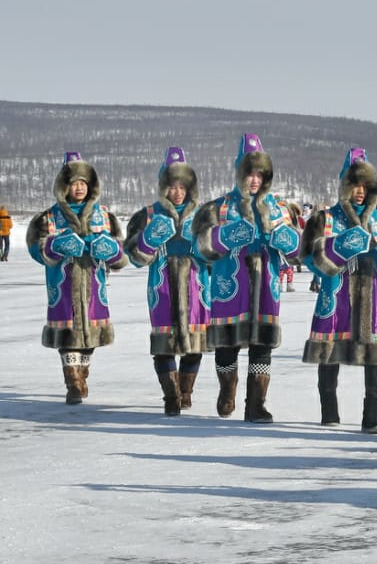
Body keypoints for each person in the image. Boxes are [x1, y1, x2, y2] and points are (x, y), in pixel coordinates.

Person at [301, 148, 377, 433]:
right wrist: (338, 247)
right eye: (354, 184)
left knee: (375, 357)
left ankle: (372, 415)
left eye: (365, 185)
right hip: (335, 295)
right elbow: (307, 258)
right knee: (329, 354)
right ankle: (329, 411)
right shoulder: (324, 219)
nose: (360, 191)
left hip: (373, 298)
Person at [193, 134, 301, 422]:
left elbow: (298, 250)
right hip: (230, 286)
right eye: (249, 173)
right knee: (227, 346)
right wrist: (225, 236)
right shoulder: (219, 207)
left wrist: (284, 237)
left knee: (261, 347)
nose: (254, 180)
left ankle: (256, 404)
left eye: (259, 174)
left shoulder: (278, 207)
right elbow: (199, 249)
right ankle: (227, 390)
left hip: (266, 285)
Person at [27, 151, 128, 404]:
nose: (79, 187)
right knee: (68, 335)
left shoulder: (104, 216)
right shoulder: (48, 217)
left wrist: (111, 250)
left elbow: (121, 255)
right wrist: (54, 246)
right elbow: (35, 248)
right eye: (74, 183)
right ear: (64, 187)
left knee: (89, 338)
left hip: (94, 285)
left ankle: (82, 374)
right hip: (63, 285)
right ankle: (72, 381)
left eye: (83, 183)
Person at [124, 147, 212, 415]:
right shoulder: (148, 215)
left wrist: (201, 245)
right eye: (172, 186)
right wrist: (148, 240)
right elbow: (134, 256)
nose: (177, 192)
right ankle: (171, 396)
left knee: (195, 345)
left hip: (196, 287)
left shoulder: (204, 215)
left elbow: (219, 254)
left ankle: (186, 392)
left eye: (182, 186)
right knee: (164, 345)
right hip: (162, 286)